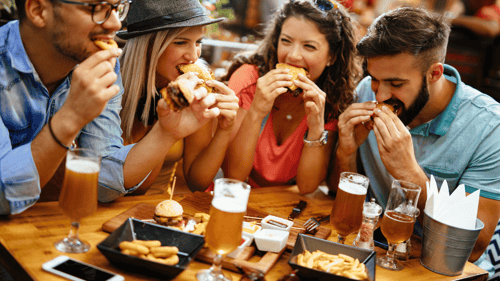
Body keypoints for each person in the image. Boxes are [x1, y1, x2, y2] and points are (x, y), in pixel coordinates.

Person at [0, 0, 220, 215]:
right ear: (38, 10)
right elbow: (3, 198)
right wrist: (71, 117)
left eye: (116, 7)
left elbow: (103, 183)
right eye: (97, 8)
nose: (115, 23)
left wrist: (166, 133)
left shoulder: (102, 62)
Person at [328, 6, 500, 273]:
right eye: (375, 79)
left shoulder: (490, 127)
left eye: (396, 84)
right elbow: (336, 195)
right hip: (367, 253)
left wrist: (408, 172)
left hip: (437, 267)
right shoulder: (365, 92)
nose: (381, 95)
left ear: (434, 73)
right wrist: (346, 152)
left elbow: (474, 247)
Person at [223, 0, 361, 194]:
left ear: (332, 56)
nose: (293, 56)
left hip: (284, 208)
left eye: (309, 47)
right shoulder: (249, 80)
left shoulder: (333, 100)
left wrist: (315, 128)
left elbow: (307, 187)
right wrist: (256, 111)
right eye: (286, 41)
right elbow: (233, 176)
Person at [117, 0, 239, 193]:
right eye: (181, 42)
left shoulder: (194, 88)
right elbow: (131, 186)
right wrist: (166, 119)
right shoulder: (111, 84)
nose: (194, 56)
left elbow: (197, 181)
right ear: (148, 45)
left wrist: (225, 129)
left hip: (161, 211)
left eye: (198, 42)